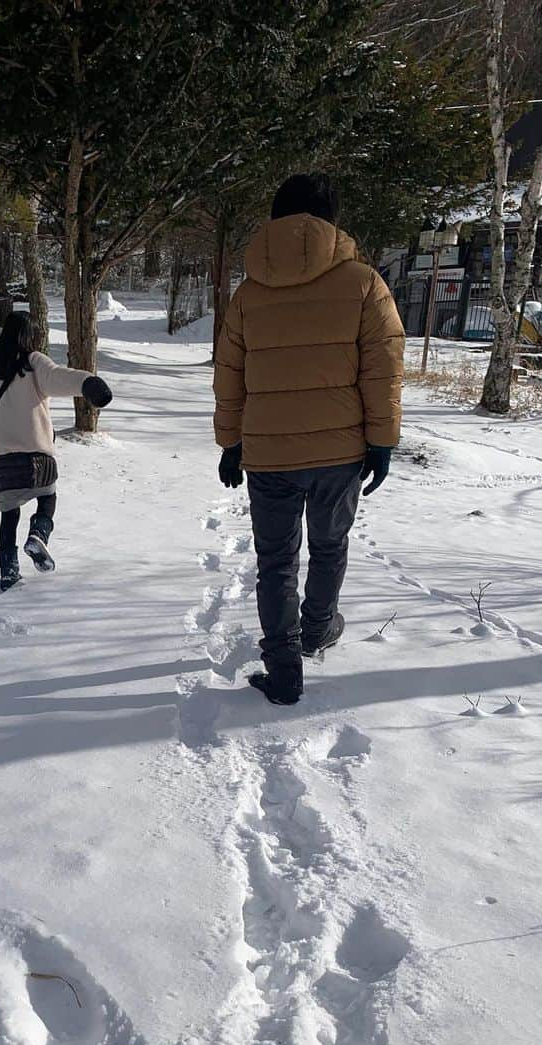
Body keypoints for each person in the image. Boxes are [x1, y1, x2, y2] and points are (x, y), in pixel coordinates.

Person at [213, 173, 405, 705]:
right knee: (328, 544)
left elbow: (230, 372)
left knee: (275, 561)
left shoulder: (249, 294)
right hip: (339, 454)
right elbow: (383, 370)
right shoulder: (365, 283)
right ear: (330, 220)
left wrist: (231, 442)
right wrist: (381, 442)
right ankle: (317, 629)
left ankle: (283, 671)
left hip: (269, 454)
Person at [0, 311, 113, 592]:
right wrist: (88, 383)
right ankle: (38, 534)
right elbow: (59, 377)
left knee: (9, 515)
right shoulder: (35, 363)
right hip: (39, 463)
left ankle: (9, 571)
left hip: (0, 470)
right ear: (31, 336)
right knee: (47, 497)